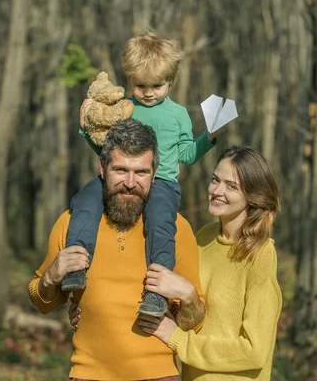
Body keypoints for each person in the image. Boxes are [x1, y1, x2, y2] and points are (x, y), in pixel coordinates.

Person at [70, 146, 283, 380]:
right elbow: (183, 309)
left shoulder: (261, 254)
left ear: (254, 196)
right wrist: (93, 309)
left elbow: (254, 352)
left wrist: (178, 339)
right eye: (215, 180)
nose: (216, 191)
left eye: (231, 186)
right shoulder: (202, 238)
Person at [29, 119, 206, 380]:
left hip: (158, 375)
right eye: (121, 170)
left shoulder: (176, 229)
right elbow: (42, 303)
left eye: (142, 172)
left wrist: (189, 296)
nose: (131, 182)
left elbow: (196, 323)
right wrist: (50, 277)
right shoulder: (71, 223)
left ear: (155, 174)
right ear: (102, 168)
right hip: (88, 374)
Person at [62, 31, 220, 318]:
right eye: (140, 85)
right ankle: (77, 265)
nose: (148, 92)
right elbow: (106, 150)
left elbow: (187, 155)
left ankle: (157, 292)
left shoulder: (178, 114)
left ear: (170, 82)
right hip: (120, 179)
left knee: (161, 223)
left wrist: (208, 139)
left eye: (157, 86)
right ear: (129, 80)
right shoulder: (124, 109)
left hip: (162, 184)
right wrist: (85, 129)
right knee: (84, 201)